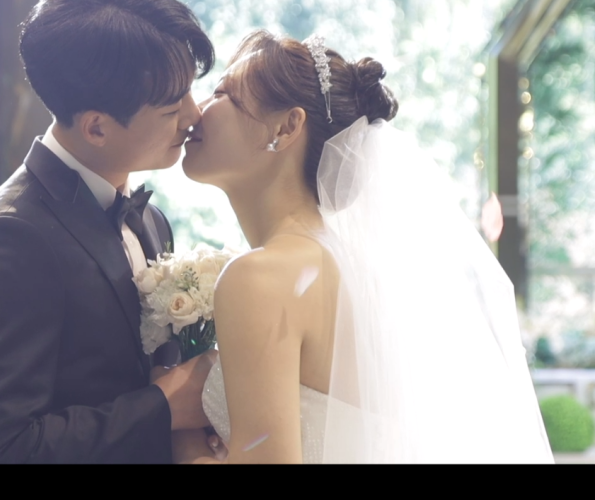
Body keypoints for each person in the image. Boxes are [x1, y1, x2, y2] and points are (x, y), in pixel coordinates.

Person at [176, 29, 554, 463]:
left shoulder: (261, 278)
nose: (198, 109)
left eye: (223, 94)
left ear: (286, 126)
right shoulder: (355, 270)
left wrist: (183, 439)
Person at [0, 0, 218, 464]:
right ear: (96, 128)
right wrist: (163, 407)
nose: (194, 115)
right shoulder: (11, 235)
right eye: (170, 107)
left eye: (190, 92)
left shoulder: (151, 220)